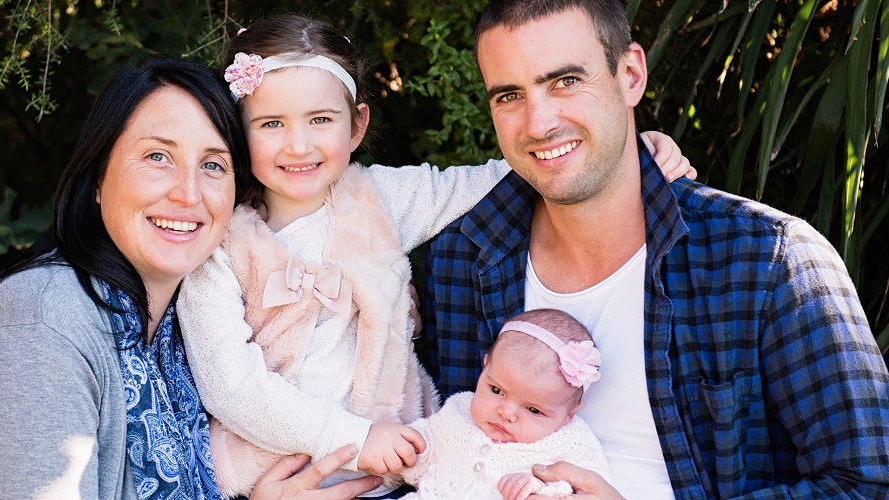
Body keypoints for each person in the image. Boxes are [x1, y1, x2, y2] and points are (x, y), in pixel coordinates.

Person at [175, 13, 696, 499]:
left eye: (319, 119)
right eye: (270, 124)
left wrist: (627, 148)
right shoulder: (216, 242)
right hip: (278, 478)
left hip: (398, 475)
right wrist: (353, 437)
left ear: (356, 125)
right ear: (235, 133)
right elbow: (230, 384)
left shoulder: (380, 199)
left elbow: (503, 174)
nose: (298, 145)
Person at [422, 0, 889, 498]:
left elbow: (867, 483)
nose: (538, 124)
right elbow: (428, 459)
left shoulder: (767, 261)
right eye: (510, 95)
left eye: (565, 82)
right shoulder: (462, 259)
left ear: (630, 75)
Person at [0, 56, 381, 500]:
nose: (188, 193)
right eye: (157, 157)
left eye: (213, 165)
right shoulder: (41, 326)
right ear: (99, 177)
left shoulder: (189, 325)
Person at [399, 309, 610, 500]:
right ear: (486, 366)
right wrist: (400, 446)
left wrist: (538, 487)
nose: (506, 413)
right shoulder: (459, 411)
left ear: (569, 414)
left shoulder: (571, 441)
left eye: (534, 410)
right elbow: (424, 444)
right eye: (496, 390)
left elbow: (588, 486)